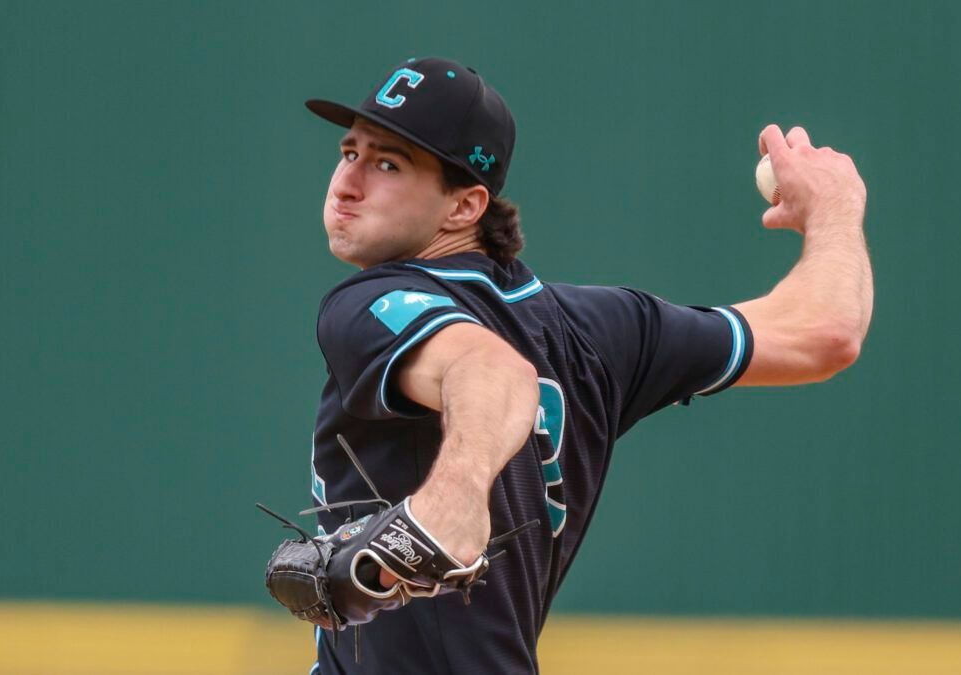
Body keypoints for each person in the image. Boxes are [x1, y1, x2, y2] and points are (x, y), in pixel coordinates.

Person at [300, 56, 872, 674]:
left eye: (388, 164)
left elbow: (493, 372)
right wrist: (836, 209)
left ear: (464, 207)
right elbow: (825, 331)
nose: (347, 182)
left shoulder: (369, 303)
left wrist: (455, 500)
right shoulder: (600, 330)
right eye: (350, 151)